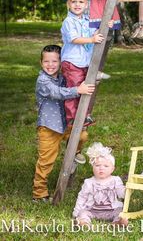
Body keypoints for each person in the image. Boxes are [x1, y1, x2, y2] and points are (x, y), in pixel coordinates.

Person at [33, 45, 95, 202]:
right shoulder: (43, 81)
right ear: (41, 63)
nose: (50, 64)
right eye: (46, 61)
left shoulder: (62, 78)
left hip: (65, 124)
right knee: (46, 160)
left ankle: (74, 155)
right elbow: (57, 93)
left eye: (54, 61)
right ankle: (39, 192)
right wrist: (77, 90)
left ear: (61, 62)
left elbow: (73, 83)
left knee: (82, 134)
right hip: (49, 127)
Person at [61, 0, 112, 157]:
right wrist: (91, 38)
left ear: (86, 4)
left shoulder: (86, 19)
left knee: (88, 89)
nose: (77, 5)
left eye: (81, 2)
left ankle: (85, 115)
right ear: (68, 4)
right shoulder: (68, 22)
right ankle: (72, 119)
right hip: (72, 62)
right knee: (76, 89)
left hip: (85, 63)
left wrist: (106, 25)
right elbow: (74, 39)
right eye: (74, 2)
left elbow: (96, 29)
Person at [72, 142, 128, 226]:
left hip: (111, 210)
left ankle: (117, 222)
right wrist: (76, 212)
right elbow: (82, 197)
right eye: (97, 165)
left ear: (112, 169)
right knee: (83, 212)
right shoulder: (89, 182)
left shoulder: (115, 180)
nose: (101, 168)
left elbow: (121, 194)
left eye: (106, 166)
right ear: (93, 167)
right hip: (92, 211)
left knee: (120, 211)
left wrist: (126, 190)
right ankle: (84, 222)